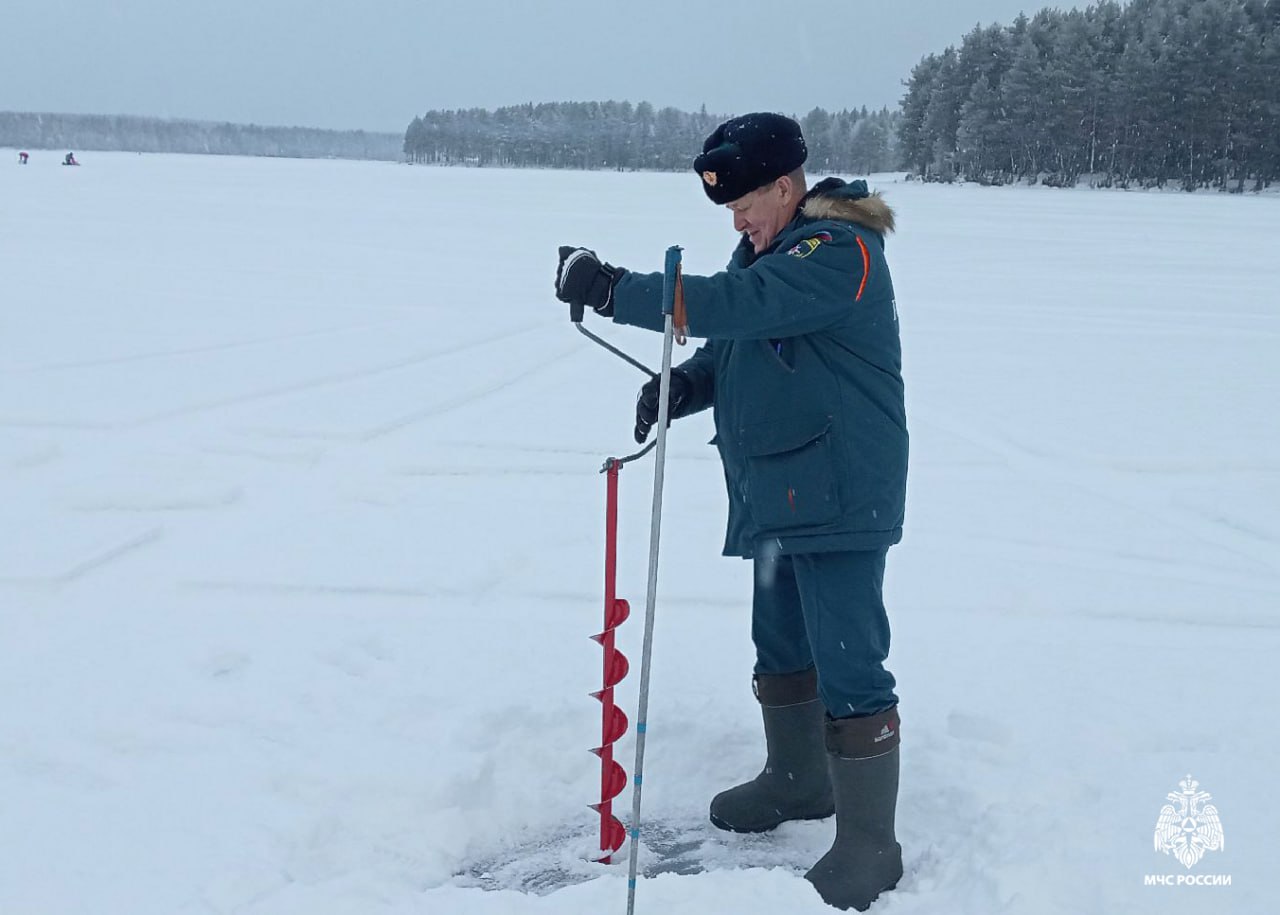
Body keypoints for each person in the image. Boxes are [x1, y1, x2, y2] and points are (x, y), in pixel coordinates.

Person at [554, 112, 907, 911]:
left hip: (842, 489)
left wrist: (615, 289)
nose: (738, 221)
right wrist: (688, 386)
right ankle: (798, 777)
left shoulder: (838, 254)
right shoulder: (770, 248)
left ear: (786, 186)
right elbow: (738, 339)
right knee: (779, 637)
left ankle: (869, 844)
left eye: (745, 203)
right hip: (780, 485)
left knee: (850, 654)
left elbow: (735, 306)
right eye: (731, 211)